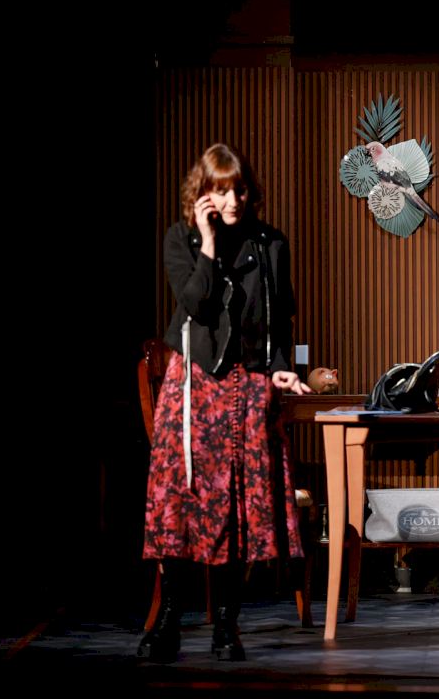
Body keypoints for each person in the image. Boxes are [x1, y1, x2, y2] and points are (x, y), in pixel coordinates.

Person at [138, 143, 312, 662]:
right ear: (203, 195)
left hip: (247, 388)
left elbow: (278, 321)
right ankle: (170, 619)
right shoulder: (182, 238)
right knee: (181, 503)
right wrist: (209, 243)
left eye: (239, 190)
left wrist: (279, 366)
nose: (233, 200)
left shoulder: (270, 243)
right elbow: (196, 303)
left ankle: (226, 625)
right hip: (193, 386)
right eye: (221, 191)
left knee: (239, 509)